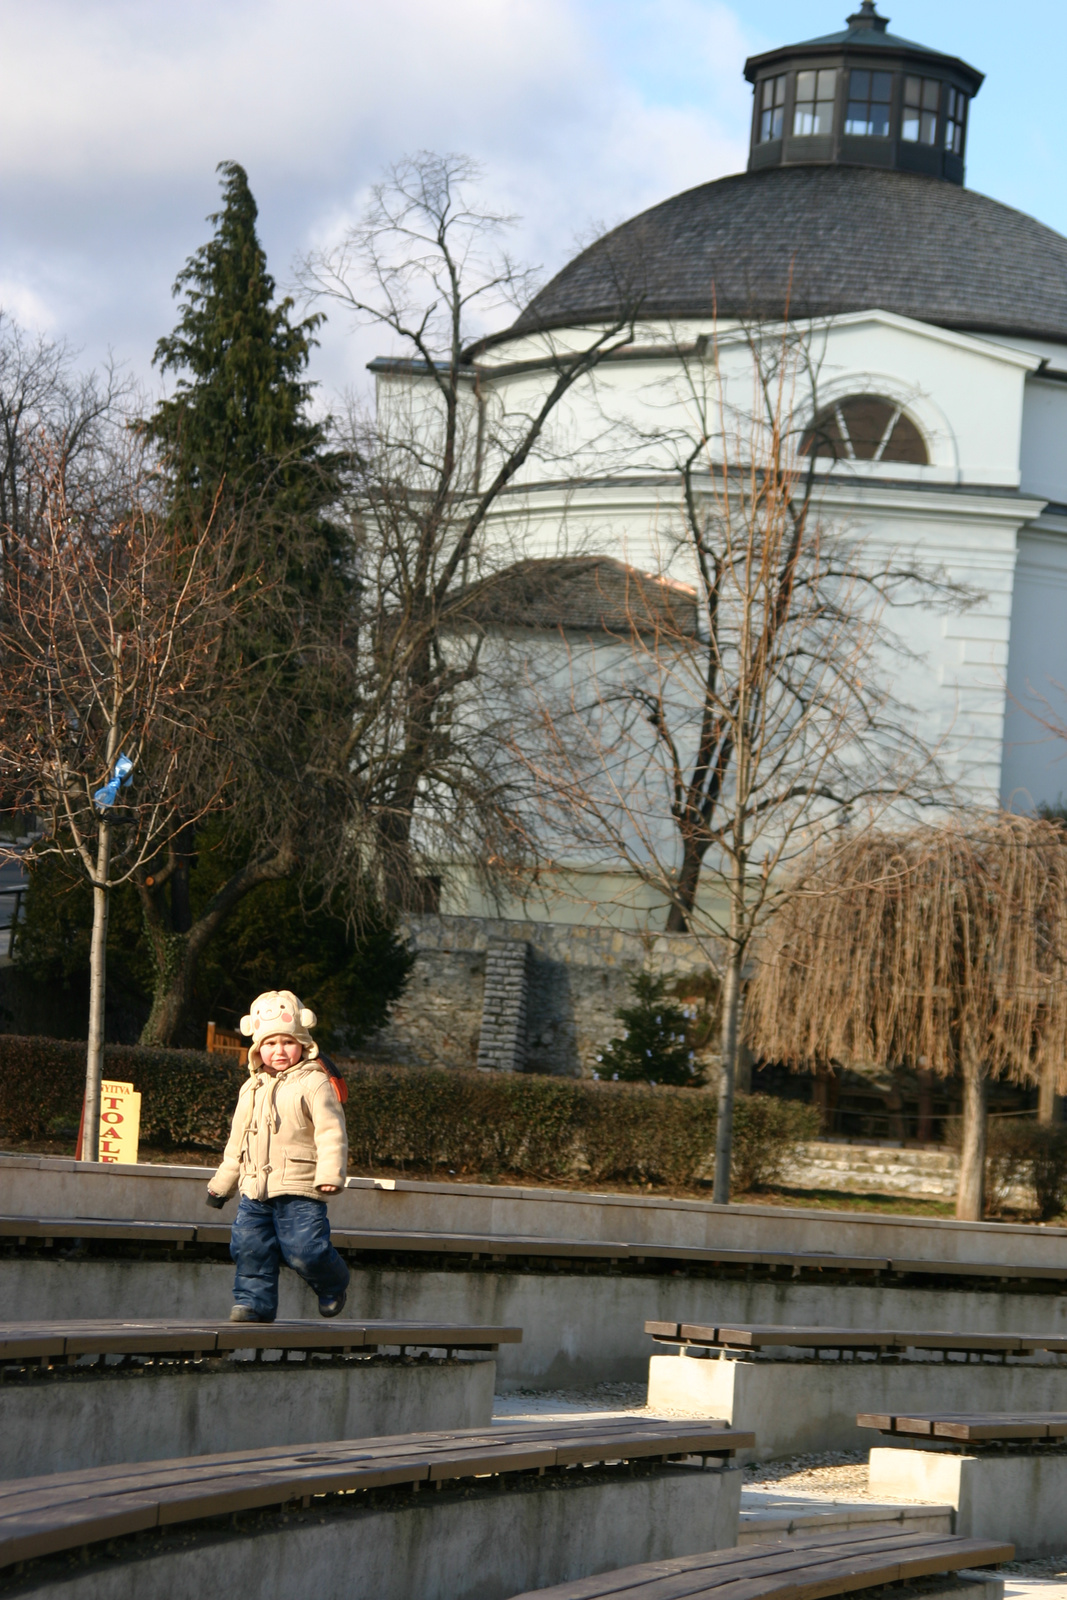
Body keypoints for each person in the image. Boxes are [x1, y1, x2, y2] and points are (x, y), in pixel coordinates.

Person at [206, 989, 350, 1323]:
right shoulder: (251, 1089)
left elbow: (331, 1132)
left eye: (287, 1042)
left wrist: (330, 1175)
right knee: (248, 1248)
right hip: (255, 1188)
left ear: (303, 1043)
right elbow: (238, 1143)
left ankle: (333, 1282)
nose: (279, 1051)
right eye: (269, 1044)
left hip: (300, 1186)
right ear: (258, 1049)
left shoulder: (314, 1083)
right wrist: (222, 1185)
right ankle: (254, 1304)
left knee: (305, 1251)